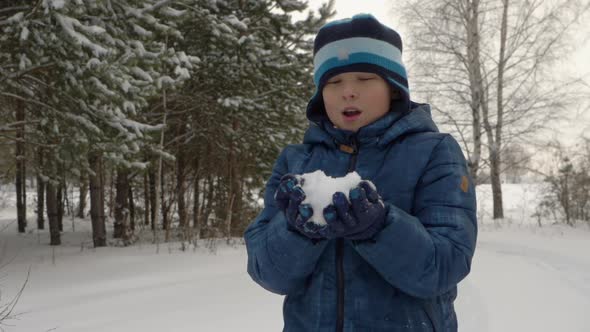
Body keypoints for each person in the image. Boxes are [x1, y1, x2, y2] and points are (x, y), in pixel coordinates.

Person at [244, 13, 477, 332]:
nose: (347, 92)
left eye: (365, 79)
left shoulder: (434, 152)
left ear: (394, 88)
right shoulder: (296, 161)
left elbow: (445, 265)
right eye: (333, 82)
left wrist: (380, 228)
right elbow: (267, 272)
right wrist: (296, 231)